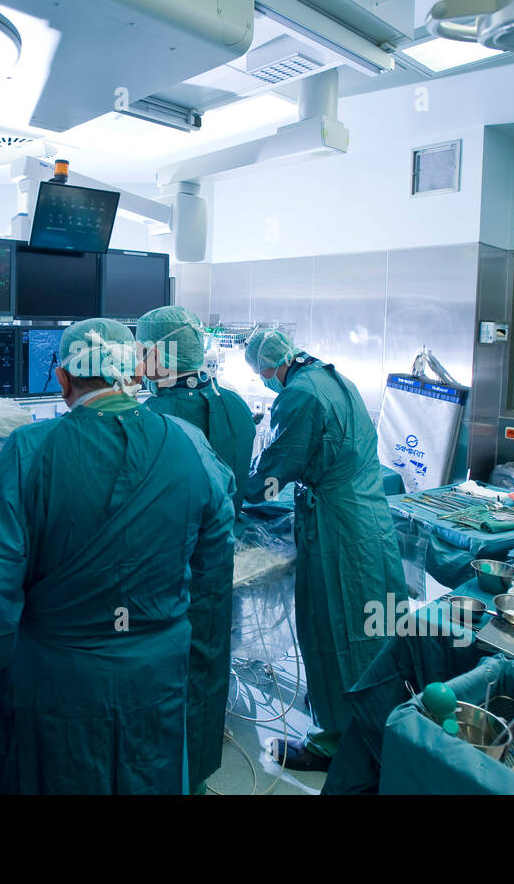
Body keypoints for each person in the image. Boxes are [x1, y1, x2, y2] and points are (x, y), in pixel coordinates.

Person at [0, 317, 237, 794]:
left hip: (61, 684)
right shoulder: (190, 444)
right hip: (155, 677)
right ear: (135, 374)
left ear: (61, 378)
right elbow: (212, 563)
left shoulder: (31, 451)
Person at [241, 327, 407, 772]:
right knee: (376, 627)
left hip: (338, 531)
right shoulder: (334, 379)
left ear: (272, 366)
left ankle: (337, 744)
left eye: (261, 374)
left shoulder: (299, 396)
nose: (264, 382)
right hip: (369, 521)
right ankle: (381, 729)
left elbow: (275, 468)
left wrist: (233, 488)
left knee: (335, 631)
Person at [136, 305, 254, 794]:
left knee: (160, 682)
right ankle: (198, 774)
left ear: (160, 355)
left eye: (142, 350)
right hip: (215, 566)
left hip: (161, 578)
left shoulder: (149, 421)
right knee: (206, 669)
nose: (136, 360)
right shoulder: (238, 407)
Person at [136, 305, 256, 514]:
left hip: (175, 541)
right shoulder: (236, 403)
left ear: (155, 353)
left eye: (141, 353)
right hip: (225, 536)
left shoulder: (152, 418)